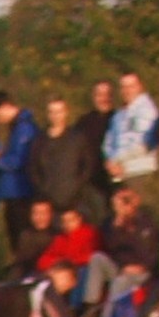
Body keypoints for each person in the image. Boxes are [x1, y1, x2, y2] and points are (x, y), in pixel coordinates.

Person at [36, 93, 103, 228]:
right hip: (50, 201)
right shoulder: (39, 141)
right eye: (52, 112)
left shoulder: (77, 138)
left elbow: (87, 165)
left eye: (59, 111)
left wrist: (77, 186)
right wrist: (44, 189)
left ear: (66, 112)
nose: (55, 116)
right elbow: (33, 168)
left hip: (76, 200)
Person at [104, 71, 159, 187]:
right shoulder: (118, 115)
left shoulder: (147, 110)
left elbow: (144, 144)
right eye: (123, 87)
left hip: (140, 172)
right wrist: (110, 162)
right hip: (119, 174)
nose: (127, 91)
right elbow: (109, 142)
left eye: (131, 86)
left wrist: (118, 160)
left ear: (140, 87)